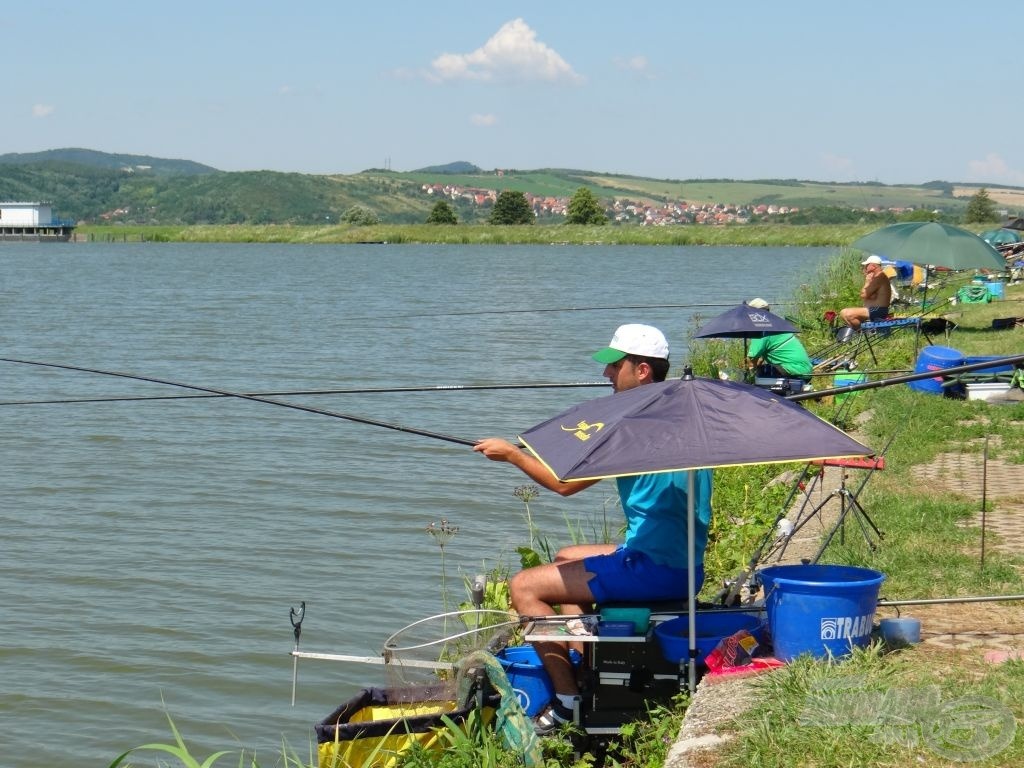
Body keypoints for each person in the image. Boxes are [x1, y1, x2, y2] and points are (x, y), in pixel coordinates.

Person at [473, 323, 713, 732]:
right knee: (567, 556)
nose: (606, 374)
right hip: (685, 564)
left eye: (614, 366)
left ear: (641, 372)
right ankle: (585, 664)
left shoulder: (630, 426)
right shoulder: (685, 418)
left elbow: (565, 486)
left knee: (524, 587)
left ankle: (567, 702)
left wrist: (513, 455)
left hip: (653, 568)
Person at [744, 298, 813, 381]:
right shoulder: (776, 325)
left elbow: (752, 359)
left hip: (793, 371)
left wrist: (750, 378)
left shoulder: (761, 330)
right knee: (762, 370)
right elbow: (760, 359)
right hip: (806, 371)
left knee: (758, 378)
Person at [839, 254, 892, 330]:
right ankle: (863, 332)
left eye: (867, 265)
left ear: (873, 266)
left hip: (877, 310)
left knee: (847, 313)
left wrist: (867, 282)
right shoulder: (877, 276)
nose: (865, 267)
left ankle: (862, 333)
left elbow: (864, 295)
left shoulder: (879, 277)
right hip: (874, 309)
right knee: (844, 313)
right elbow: (870, 296)